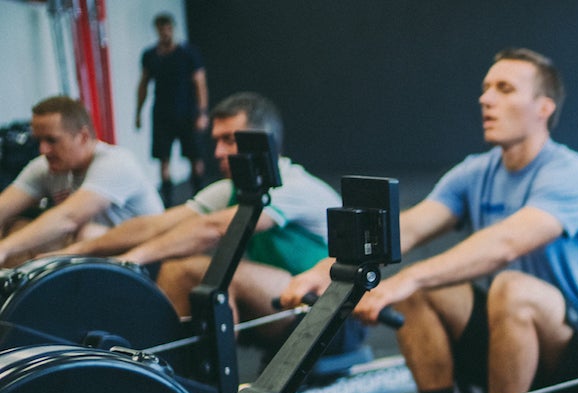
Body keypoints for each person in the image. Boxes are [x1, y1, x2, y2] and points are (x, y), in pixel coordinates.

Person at [281, 47, 578, 393]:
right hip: (511, 343)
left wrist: (404, 280)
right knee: (423, 293)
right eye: (485, 89)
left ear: (544, 108)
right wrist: (324, 272)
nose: (486, 99)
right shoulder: (475, 173)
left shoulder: (568, 173)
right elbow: (405, 228)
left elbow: (504, 244)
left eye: (504, 89)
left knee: (507, 286)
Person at [60, 92, 355, 356]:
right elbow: (156, 225)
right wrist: (77, 251)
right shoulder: (233, 189)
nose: (217, 153)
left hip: (333, 317)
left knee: (189, 269)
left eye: (229, 140)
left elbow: (214, 228)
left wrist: (131, 259)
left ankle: (187, 377)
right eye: (216, 141)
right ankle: (184, 372)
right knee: (185, 266)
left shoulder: (294, 187)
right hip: (281, 304)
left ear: (262, 141)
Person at [0, 97, 164, 267]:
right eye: (39, 140)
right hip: (94, 252)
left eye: (52, 140)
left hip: (146, 260)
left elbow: (69, 218)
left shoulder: (116, 163)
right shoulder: (45, 166)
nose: (43, 150)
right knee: (16, 228)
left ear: (84, 137)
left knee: (87, 233)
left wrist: (4, 248)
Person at [136, 12, 209, 198]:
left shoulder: (188, 53)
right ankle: (167, 201)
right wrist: (138, 113)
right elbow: (143, 84)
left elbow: (200, 84)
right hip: (162, 114)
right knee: (163, 159)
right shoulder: (150, 56)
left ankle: (199, 196)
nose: (165, 32)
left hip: (187, 113)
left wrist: (202, 113)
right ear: (157, 30)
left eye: (168, 28)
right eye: (161, 29)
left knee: (195, 157)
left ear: (173, 28)